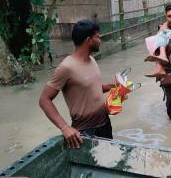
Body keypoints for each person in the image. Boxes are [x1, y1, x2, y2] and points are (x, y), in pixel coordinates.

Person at [39, 20, 115, 149]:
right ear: (88, 40)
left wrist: (111, 88)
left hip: (105, 124)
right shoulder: (66, 67)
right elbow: (44, 100)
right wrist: (64, 127)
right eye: (97, 37)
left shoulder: (92, 60)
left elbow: (89, 89)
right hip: (85, 132)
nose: (100, 40)